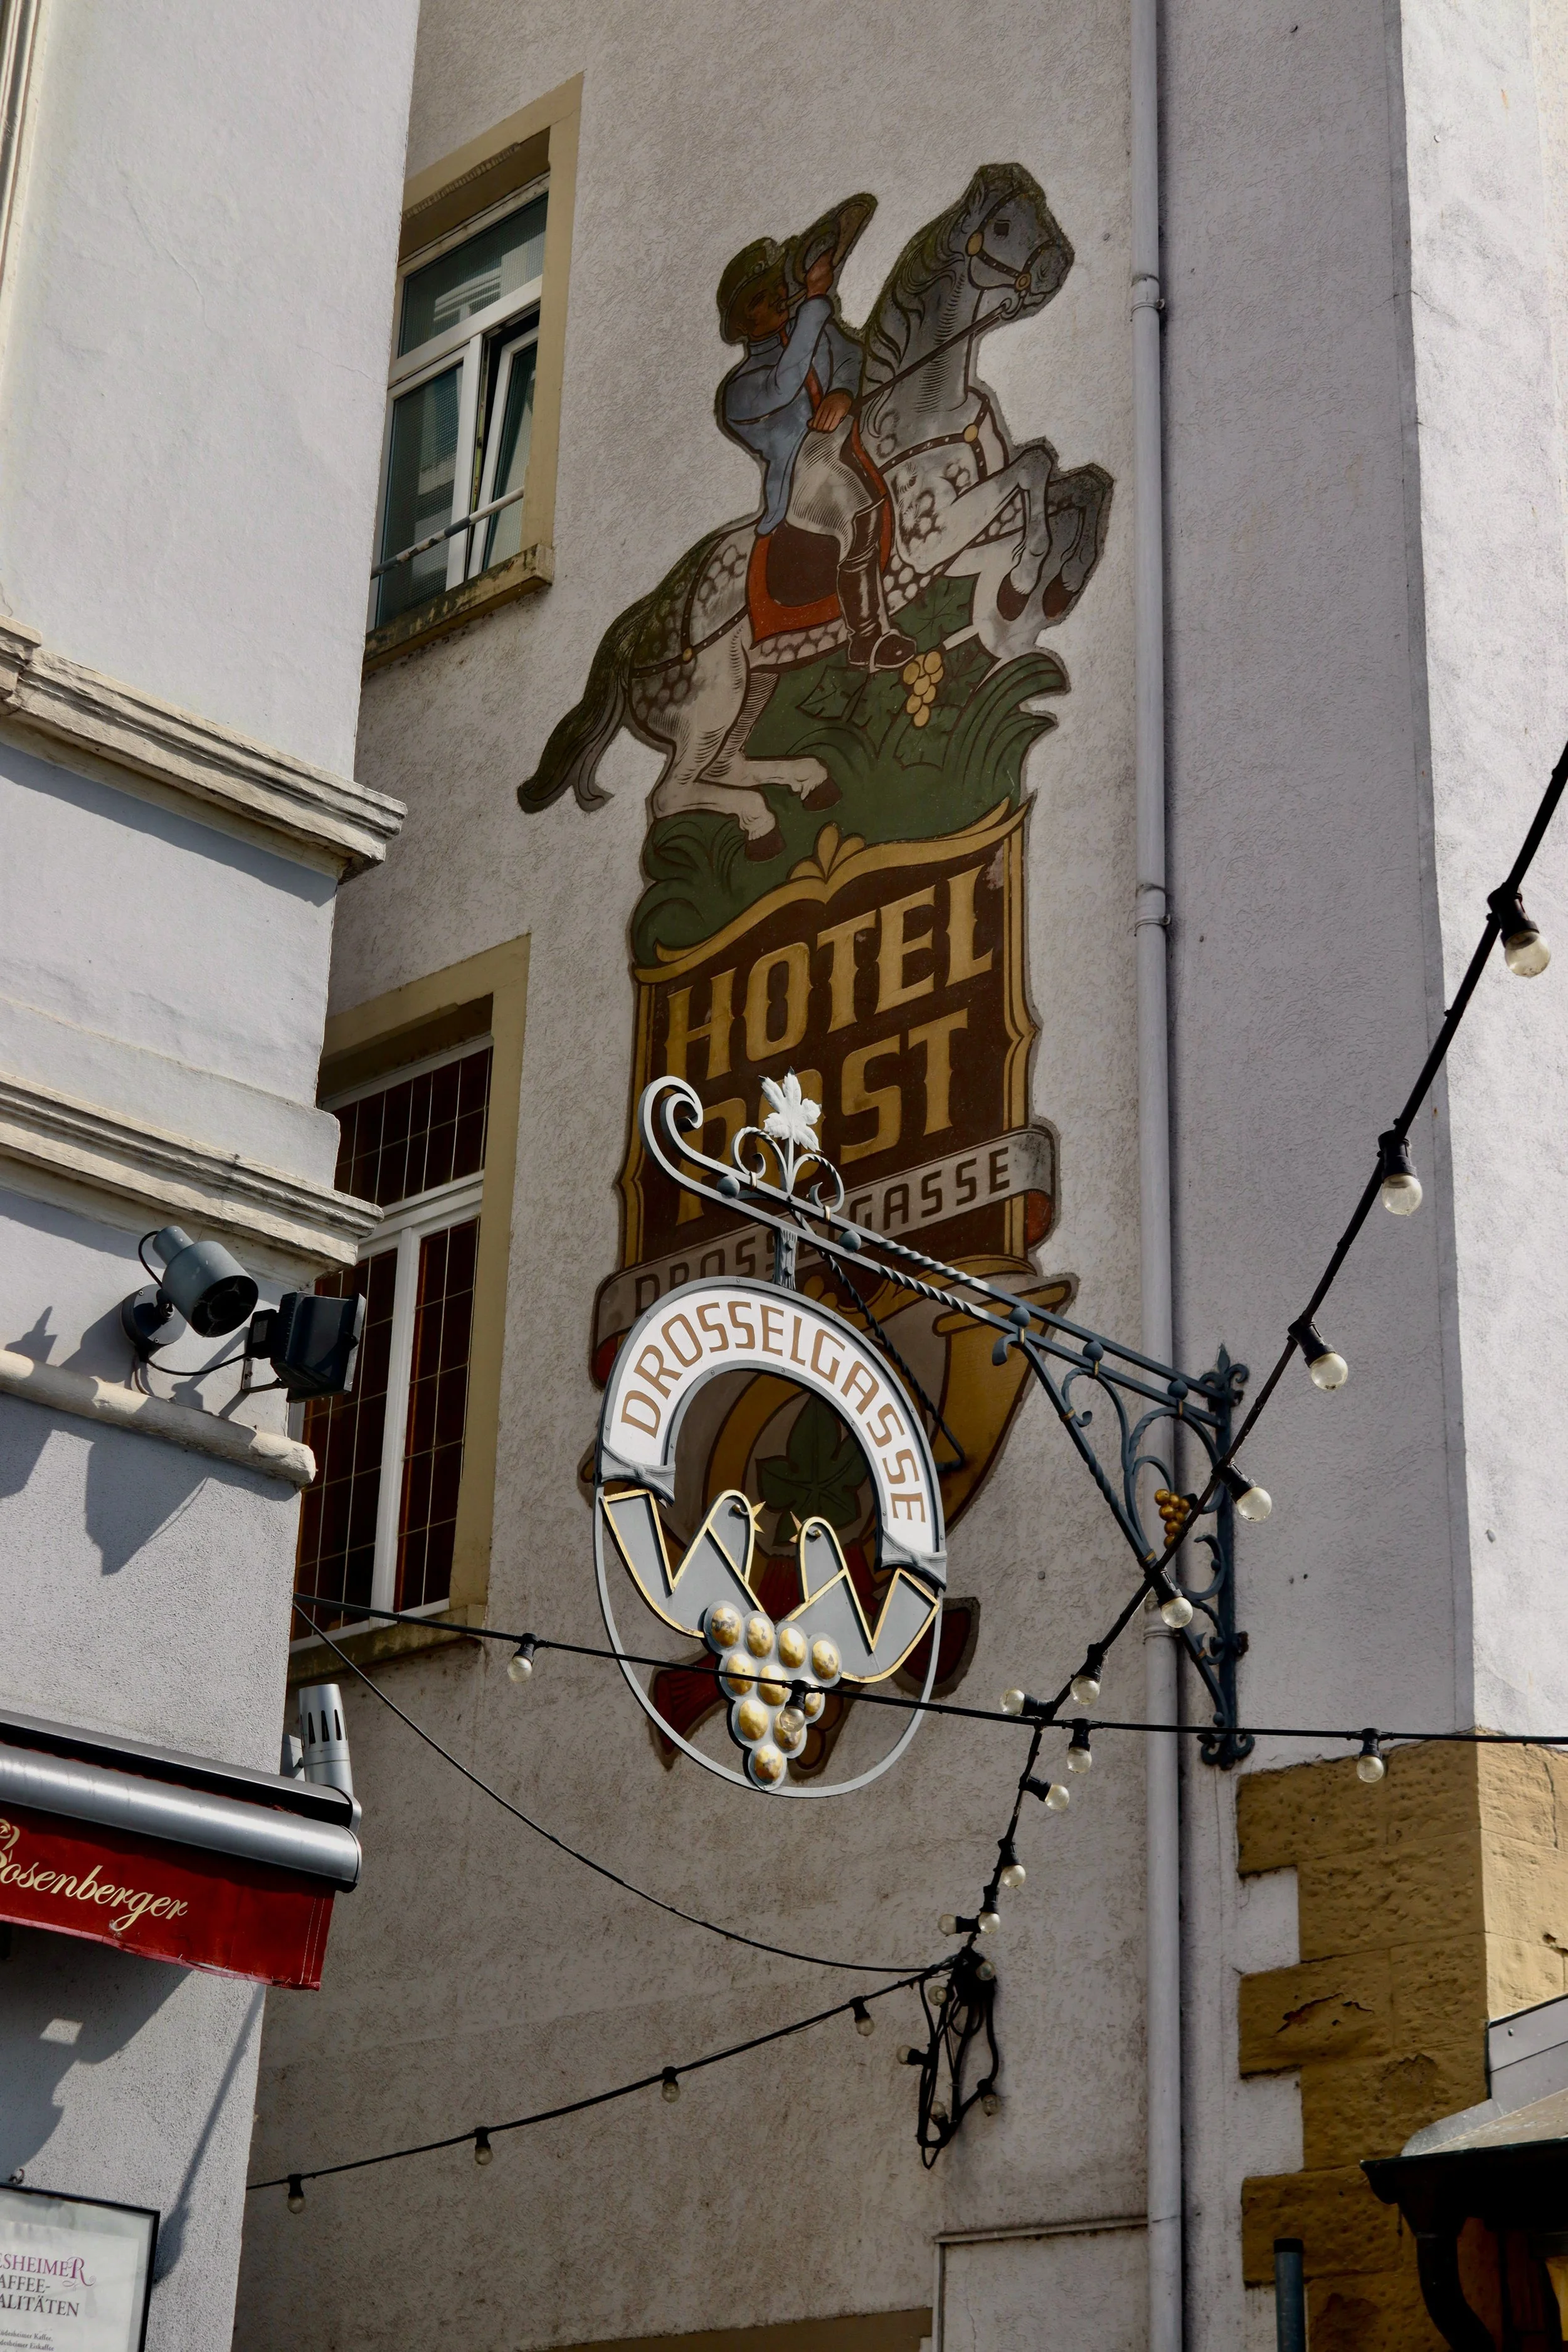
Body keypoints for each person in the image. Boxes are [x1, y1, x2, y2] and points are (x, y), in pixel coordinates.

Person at [716, 216, 915, 674]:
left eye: (777, 287)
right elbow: (786, 383)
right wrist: (817, 301)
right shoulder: (739, 392)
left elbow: (849, 355)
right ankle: (868, 636)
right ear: (750, 318)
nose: (782, 295)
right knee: (857, 511)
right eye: (768, 296)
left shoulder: (814, 331)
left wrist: (844, 392)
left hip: (844, 439)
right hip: (800, 474)